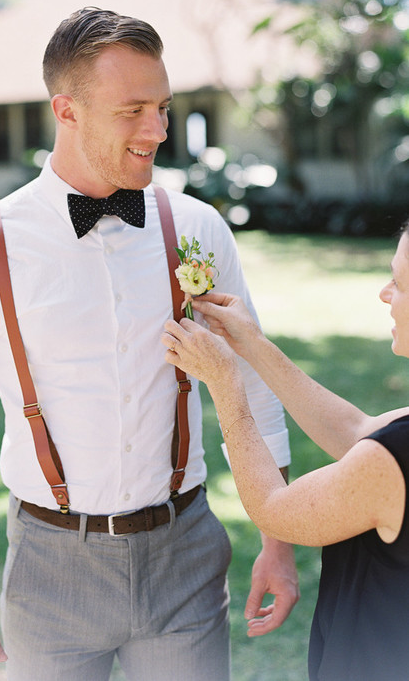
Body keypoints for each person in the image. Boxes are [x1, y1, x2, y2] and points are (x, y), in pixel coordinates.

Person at [0, 6, 298, 681]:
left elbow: (255, 387)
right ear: (69, 110)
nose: (158, 131)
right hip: (50, 572)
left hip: (186, 557)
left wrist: (280, 543)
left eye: (164, 108)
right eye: (133, 110)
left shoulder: (197, 228)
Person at [162, 221, 409, 681]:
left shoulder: (395, 460)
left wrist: (226, 384)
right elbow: (358, 430)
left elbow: (274, 509)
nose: (383, 292)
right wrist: (253, 345)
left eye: (397, 281)